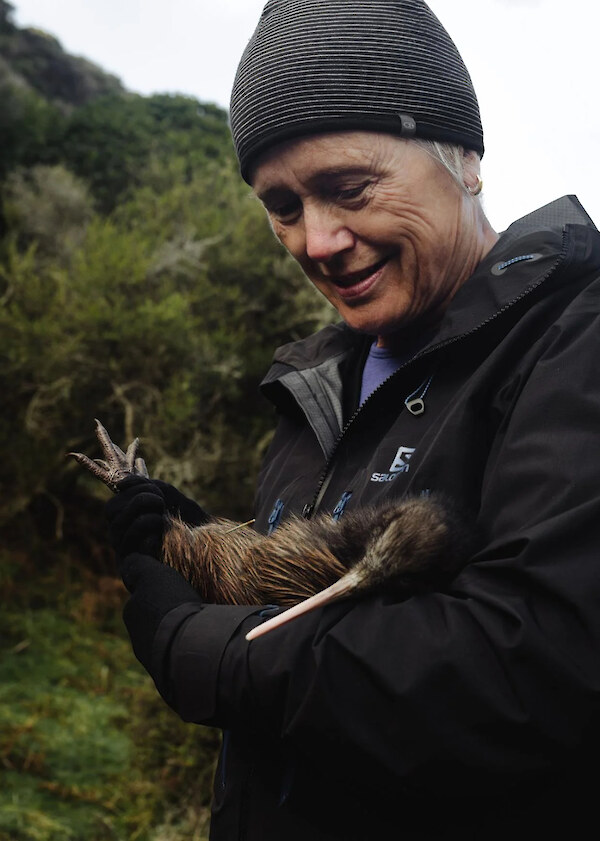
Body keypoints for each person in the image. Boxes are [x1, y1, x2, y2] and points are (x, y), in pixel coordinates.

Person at [106, 1, 600, 838]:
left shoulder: (575, 338)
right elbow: (317, 592)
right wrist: (199, 548)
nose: (317, 240)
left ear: (466, 158)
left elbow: (539, 676)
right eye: (283, 206)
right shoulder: (319, 381)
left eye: (347, 188)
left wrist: (209, 655)